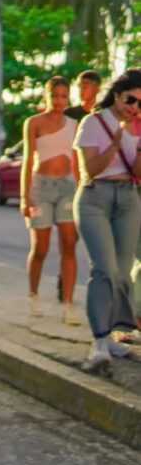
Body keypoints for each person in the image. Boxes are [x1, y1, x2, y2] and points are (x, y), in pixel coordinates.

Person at [73, 70, 141, 374]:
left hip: (128, 197)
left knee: (123, 271)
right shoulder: (93, 123)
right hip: (94, 197)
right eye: (130, 99)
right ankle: (99, 341)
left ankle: (114, 334)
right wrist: (115, 142)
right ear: (117, 94)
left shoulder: (137, 127)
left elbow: (137, 170)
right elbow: (91, 170)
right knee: (104, 269)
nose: (134, 107)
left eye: (140, 104)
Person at [21, 76, 80, 324]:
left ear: (69, 98)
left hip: (67, 186)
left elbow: (78, 162)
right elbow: (27, 159)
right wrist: (25, 197)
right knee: (41, 248)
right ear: (46, 96)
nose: (58, 101)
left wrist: (81, 192)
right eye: (54, 95)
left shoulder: (75, 124)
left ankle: (67, 304)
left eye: (63, 96)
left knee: (68, 243)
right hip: (40, 187)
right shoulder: (33, 123)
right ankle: (33, 296)